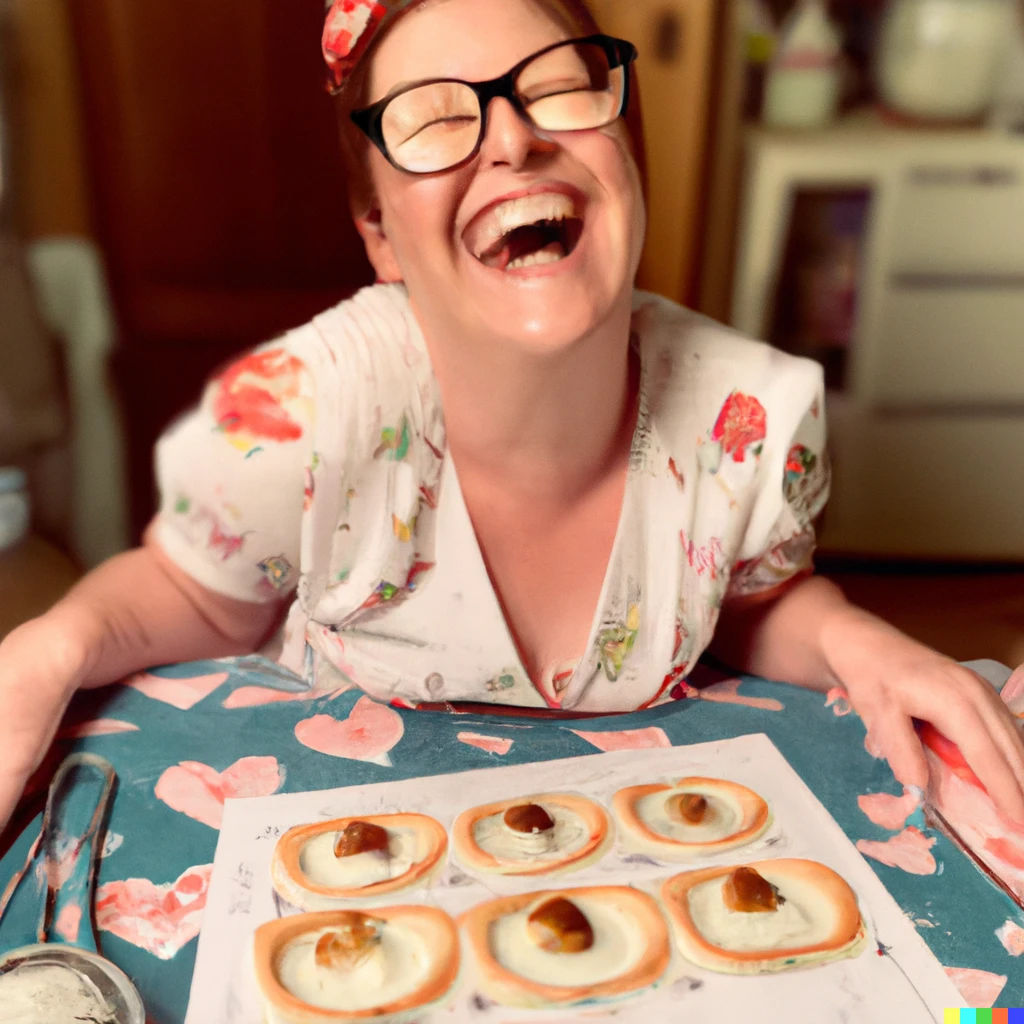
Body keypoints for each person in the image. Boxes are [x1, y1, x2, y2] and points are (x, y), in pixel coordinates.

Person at [0, 0, 1022, 834]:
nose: (514, 138)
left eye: (559, 89)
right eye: (436, 119)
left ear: (629, 159)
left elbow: (751, 600)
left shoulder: (749, 418)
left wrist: (861, 645)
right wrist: (46, 651)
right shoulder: (299, 413)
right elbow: (194, 590)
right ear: (380, 237)